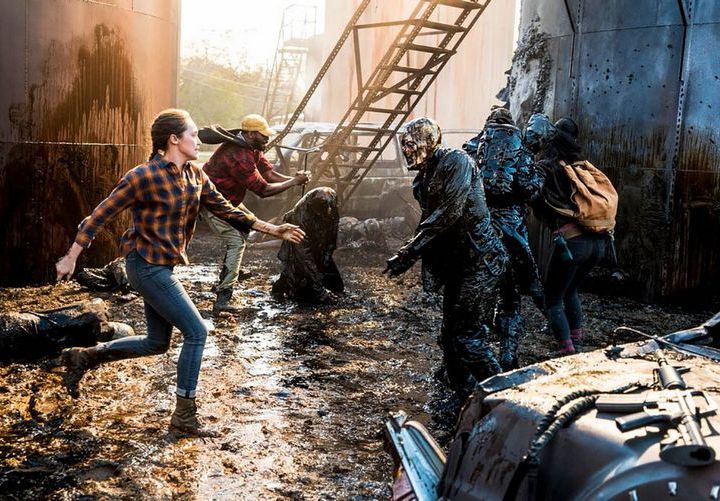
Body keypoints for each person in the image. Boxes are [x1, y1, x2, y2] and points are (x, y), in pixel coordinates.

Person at [55, 108, 305, 437]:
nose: (198, 140)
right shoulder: (143, 176)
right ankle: (184, 416)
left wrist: (275, 230)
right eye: (193, 134)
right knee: (197, 332)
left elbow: (228, 210)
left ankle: (85, 357)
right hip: (145, 266)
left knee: (157, 342)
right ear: (174, 139)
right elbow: (99, 216)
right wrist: (71, 256)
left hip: (163, 266)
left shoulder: (196, 175)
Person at [385, 117, 508, 398]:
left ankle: (505, 397)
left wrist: (409, 252)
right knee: (450, 335)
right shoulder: (424, 177)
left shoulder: (456, 161)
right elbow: (429, 220)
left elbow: (449, 213)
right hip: (459, 264)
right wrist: (409, 252)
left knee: (468, 339)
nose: (406, 150)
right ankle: (459, 392)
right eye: (404, 145)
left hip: (481, 261)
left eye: (410, 144)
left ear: (428, 142)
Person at [201, 114, 310, 313]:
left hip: (230, 200)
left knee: (245, 228)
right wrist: (293, 182)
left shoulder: (252, 148)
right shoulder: (238, 154)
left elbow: (269, 174)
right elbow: (263, 190)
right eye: (263, 135)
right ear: (251, 134)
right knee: (236, 242)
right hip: (212, 203)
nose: (267, 139)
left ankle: (230, 270)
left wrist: (295, 179)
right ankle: (223, 298)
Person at [463, 107, 545, 370]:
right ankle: (508, 355)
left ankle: (478, 355)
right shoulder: (520, 149)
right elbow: (529, 189)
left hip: (478, 231)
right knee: (511, 296)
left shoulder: (473, 147)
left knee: (478, 296)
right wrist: (540, 176)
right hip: (512, 232)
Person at [533, 117, 608, 355]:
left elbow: (533, 195)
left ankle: (567, 351)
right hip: (597, 241)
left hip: (572, 243)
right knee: (571, 290)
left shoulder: (548, 166)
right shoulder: (583, 166)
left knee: (553, 299)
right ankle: (577, 340)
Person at [271, 187, 344, 304]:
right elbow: (303, 253)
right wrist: (320, 291)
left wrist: (327, 256)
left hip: (319, 240)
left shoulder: (332, 205)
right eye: (324, 209)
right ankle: (280, 288)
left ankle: (321, 287)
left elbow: (332, 233)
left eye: (331, 208)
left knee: (337, 286)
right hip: (301, 243)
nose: (329, 211)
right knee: (295, 272)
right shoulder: (300, 216)